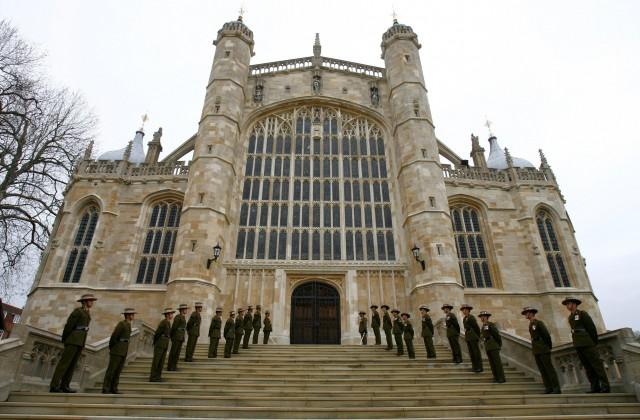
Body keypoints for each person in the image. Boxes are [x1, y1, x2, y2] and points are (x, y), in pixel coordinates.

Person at [50, 293, 97, 393]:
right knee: (64, 364)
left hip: (80, 341)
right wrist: (65, 339)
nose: (92, 302)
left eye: (92, 301)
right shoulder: (78, 311)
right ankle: (54, 385)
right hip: (73, 339)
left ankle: (65, 385)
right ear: (84, 302)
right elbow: (69, 326)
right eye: (90, 301)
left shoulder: (87, 313)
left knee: (72, 365)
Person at [562, 296, 610, 393]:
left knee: (596, 365)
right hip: (578, 344)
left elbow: (591, 328)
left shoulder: (582, 314)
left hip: (587, 342)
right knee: (587, 366)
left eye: (569, 303)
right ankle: (595, 387)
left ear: (574, 304)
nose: (567, 306)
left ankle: (605, 386)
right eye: (567, 304)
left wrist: (592, 342)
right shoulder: (570, 317)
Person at [522, 306, 561, 394]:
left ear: (531, 313)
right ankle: (548, 387)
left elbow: (546, 335)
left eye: (527, 313)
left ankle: (556, 387)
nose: (525, 315)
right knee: (542, 369)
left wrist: (548, 347)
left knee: (549, 369)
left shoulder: (538, 323)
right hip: (536, 349)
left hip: (543, 348)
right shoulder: (531, 324)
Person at [102, 307, 135, 394]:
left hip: (123, 350)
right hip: (117, 350)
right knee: (112, 370)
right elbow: (114, 337)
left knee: (118, 370)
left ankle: (114, 387)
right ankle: (106, 388)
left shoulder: (128, 324)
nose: (133, 316)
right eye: (132, 314)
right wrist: (112, 347)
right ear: (127, 315)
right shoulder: (122, 324)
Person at [479, 310, 505, 383]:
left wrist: (498, 344)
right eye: (481, 317)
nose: (482, 318)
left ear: (487, 317)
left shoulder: (490, 324)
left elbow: (496, 335)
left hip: (493, 345)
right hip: (488, 346)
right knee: (492, 363)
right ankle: (496, 377)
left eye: (484, 317)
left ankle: (501, 378)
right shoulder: (483, 326)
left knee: (497, 363)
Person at [149, 307, 174, 382]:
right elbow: (157, 333)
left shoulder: (168, 323)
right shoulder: (163, 322)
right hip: (160, 343)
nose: (172, 315)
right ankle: (153, 377)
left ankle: (158, 376)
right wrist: (156, 342)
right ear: (167, 315)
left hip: (165, 343)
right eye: (171, 314)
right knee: (157, 361)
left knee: (161, 361)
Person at [461, 304, 483, 373]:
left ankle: (479, 367)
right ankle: (474, 367)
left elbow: (476, 328)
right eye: (463, 310)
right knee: (471, 353)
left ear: (468, 310)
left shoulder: (471, 317)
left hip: (473, 337)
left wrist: (478, 336)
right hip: (468, 337)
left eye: (465, 310)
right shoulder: (464, 319)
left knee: (476, 352)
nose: (464, 311)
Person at [167, 303, 188, 371]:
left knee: (177, 353)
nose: (186, 310)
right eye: (185, 309)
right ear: (182, 310)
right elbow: (174, 327)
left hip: (180, 337)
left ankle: (174, 366)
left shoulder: (183, 317)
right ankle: (170, 366)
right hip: (176, 336)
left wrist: (183, 337)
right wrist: (172, 336)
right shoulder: (178, 317)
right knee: (173, 352)